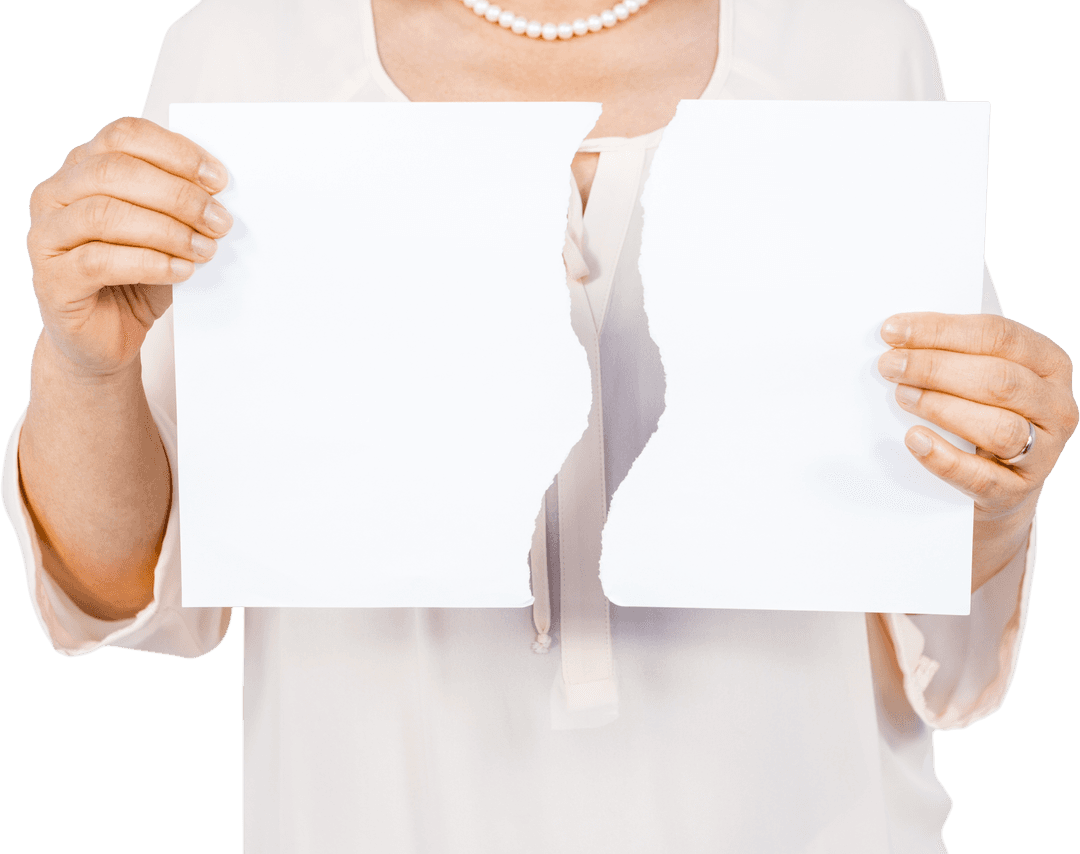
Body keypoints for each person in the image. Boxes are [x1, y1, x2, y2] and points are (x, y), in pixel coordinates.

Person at [4, 0, 1076, 850]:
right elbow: (124, 585)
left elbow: (940, 614)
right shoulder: (244, 50)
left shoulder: (857, 43)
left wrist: (1000, 486)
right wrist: (85, 364)